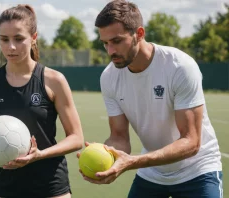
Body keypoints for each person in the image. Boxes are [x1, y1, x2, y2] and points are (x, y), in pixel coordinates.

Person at [78, 1, 223, 198]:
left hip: (197, 170)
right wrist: (108, 155)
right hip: (153, 172)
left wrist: (133, 161)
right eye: (105, 43)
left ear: (139, 34)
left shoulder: (179, 67)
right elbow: (119, 136)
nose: (110, 51)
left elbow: (191, 142)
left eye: (117, 41)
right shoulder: (109, 77)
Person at [0, 4, 84, 198]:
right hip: (6, 186)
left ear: (34, 38)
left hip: (50, 185)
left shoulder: (54, 80)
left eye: (19, 39)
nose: (11, 47)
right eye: (4, 39)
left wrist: (40, 154)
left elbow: (77, 138)